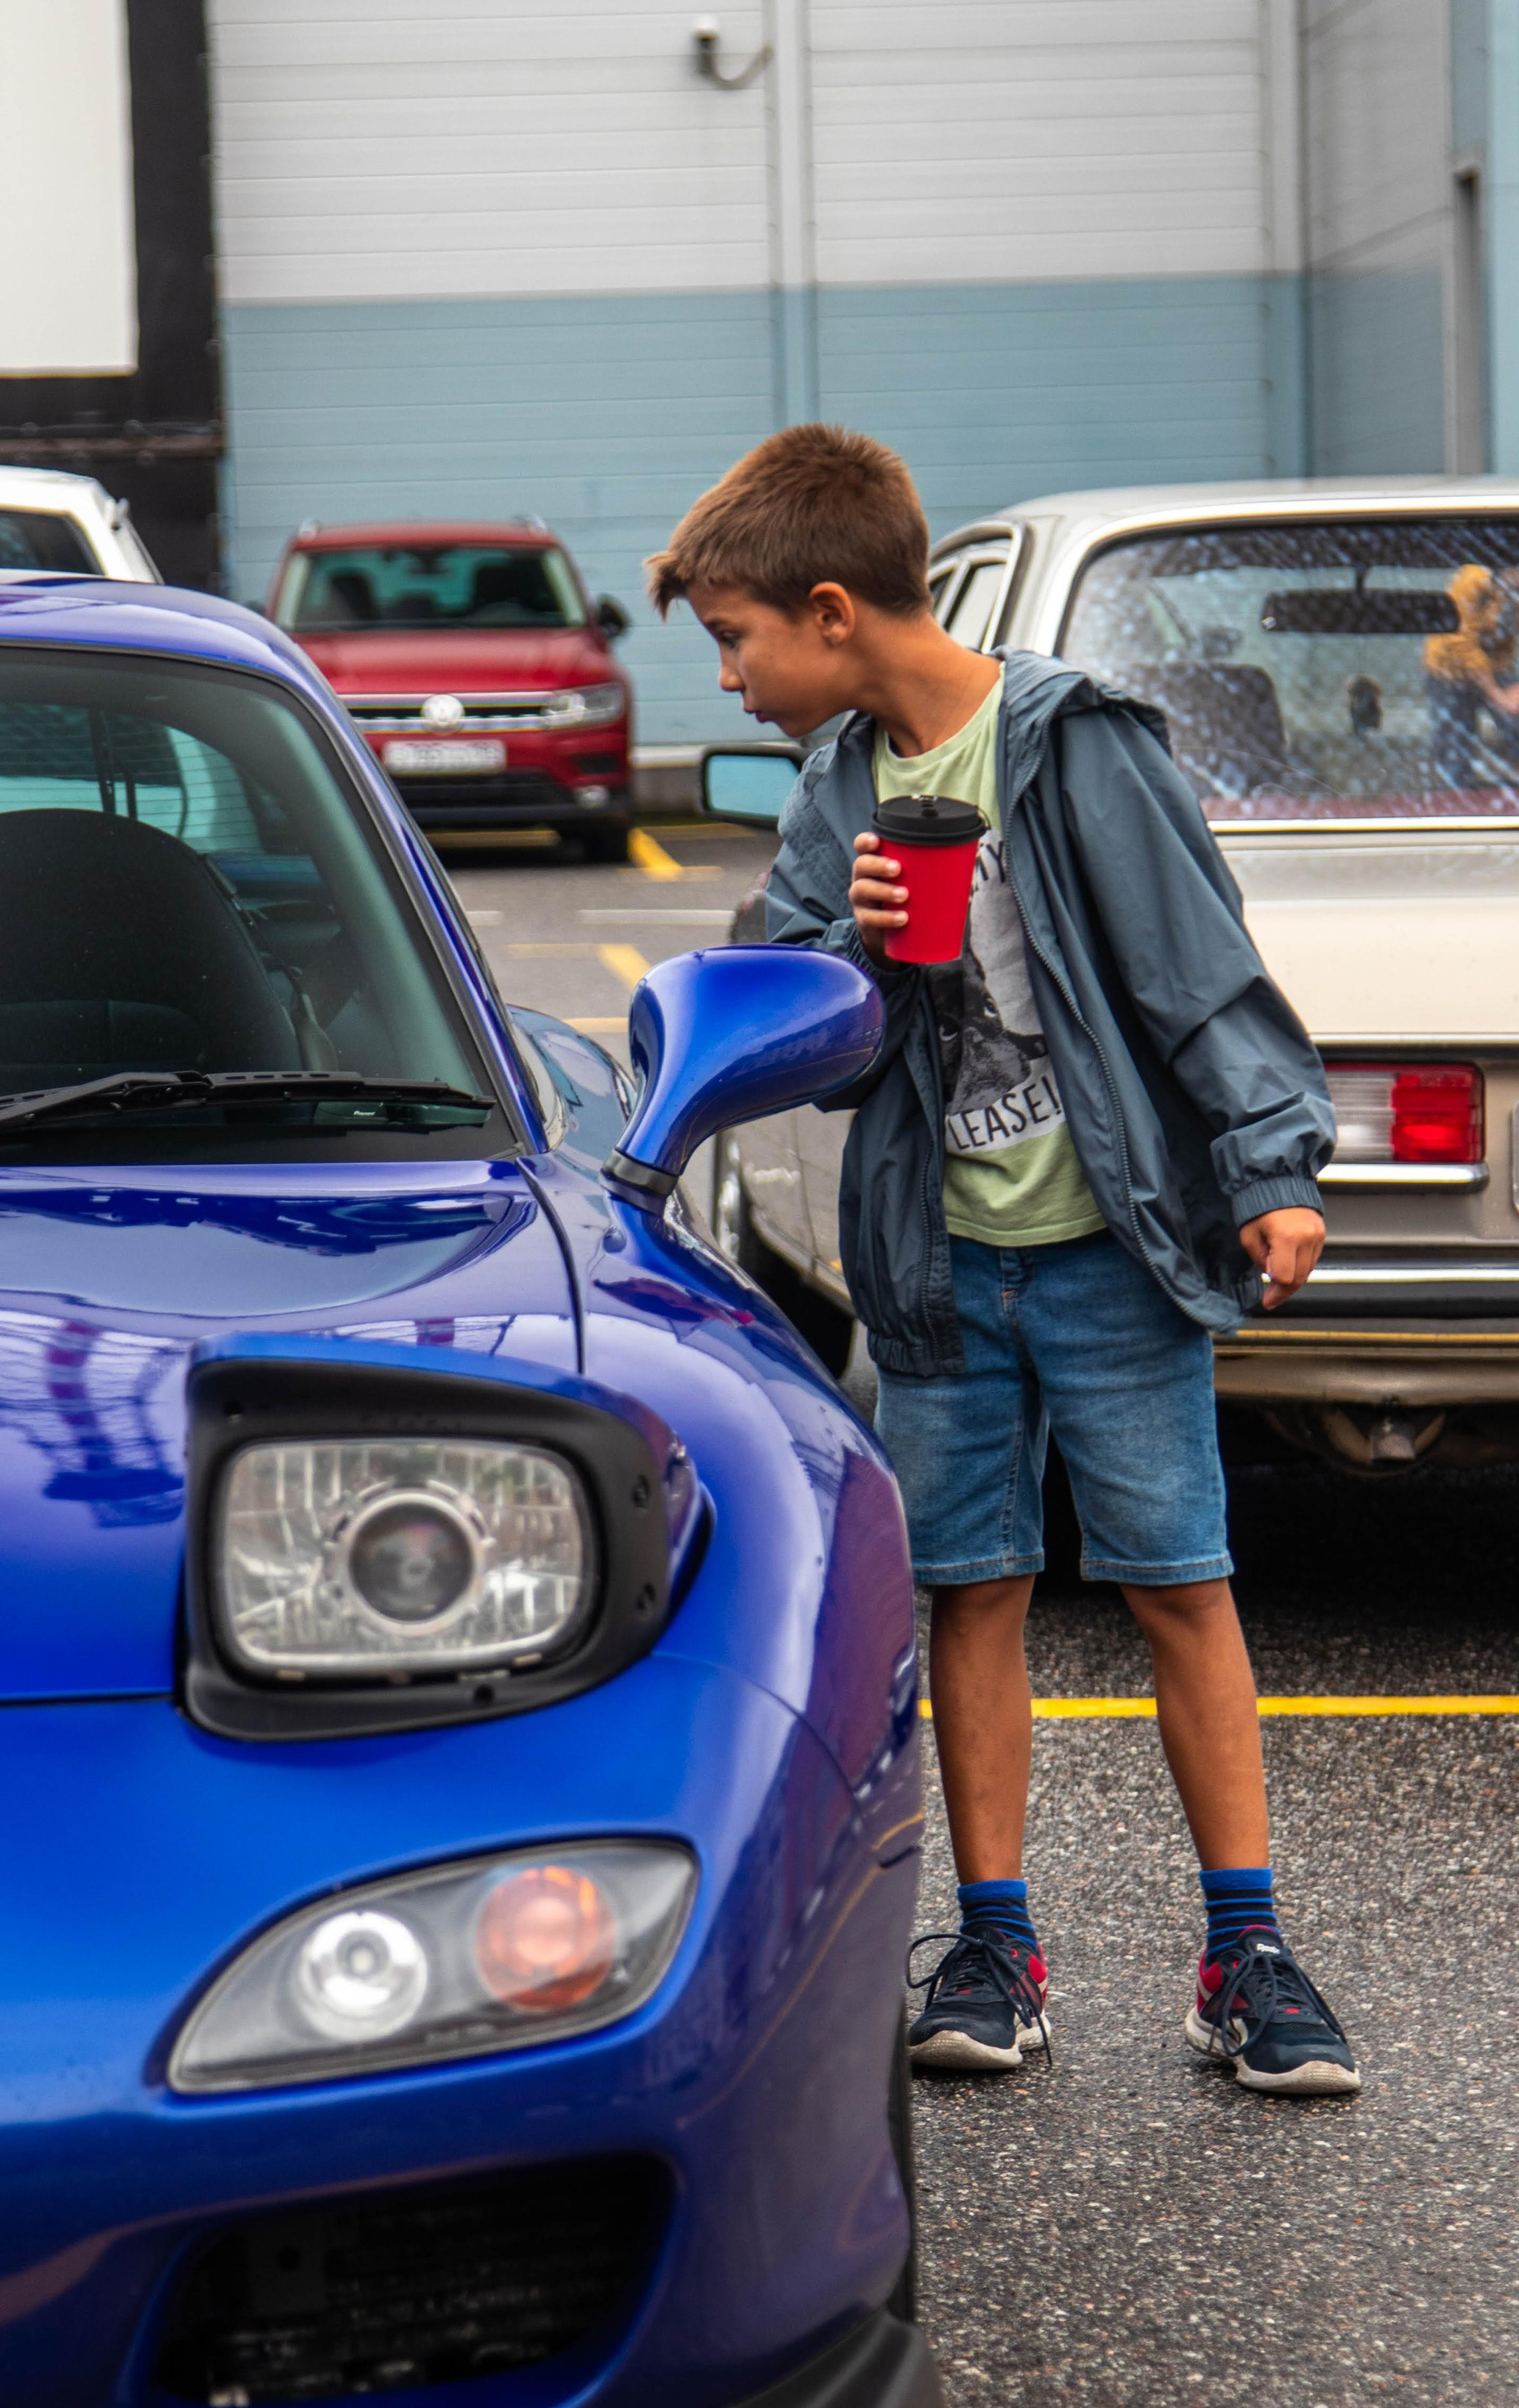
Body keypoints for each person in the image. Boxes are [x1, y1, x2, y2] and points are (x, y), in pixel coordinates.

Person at [649, 425, 1358, 2098]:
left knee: (1177, 1580)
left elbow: (1196, 967)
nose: (735, 679)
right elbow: (794, 1022)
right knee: (969, 1587)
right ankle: (993, 1942)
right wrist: (854, 950)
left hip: (1109, 1249)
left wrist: (1268, 1165)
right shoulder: (835, 786)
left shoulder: (1069, 747)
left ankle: (1244, 1950)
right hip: (935, 1262)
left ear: (830, 611)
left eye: (738, 640)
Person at [1423, 563, 1519, 786]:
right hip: (1450, 670)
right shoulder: (1473, 579)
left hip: (1499, 663)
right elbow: (1461, 644)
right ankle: (1456, 797)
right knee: (1454, 749)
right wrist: (1498, 696)